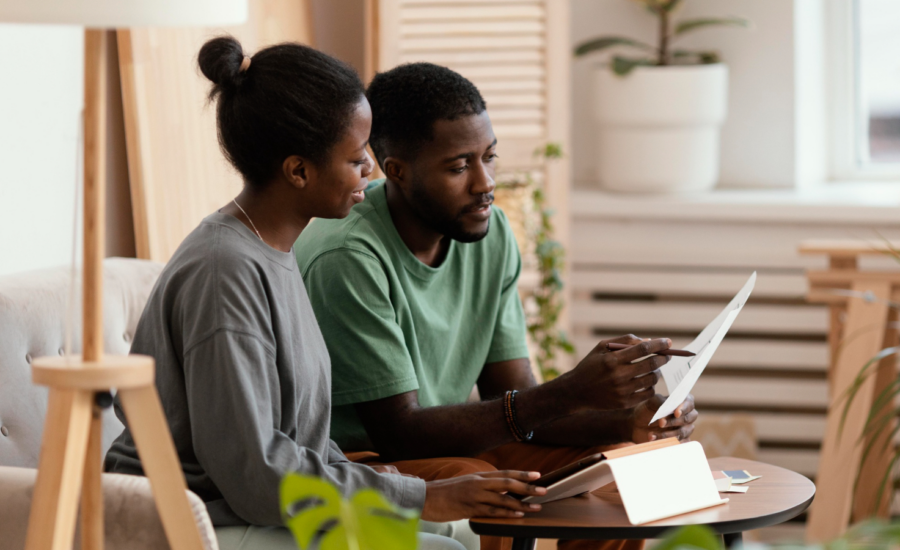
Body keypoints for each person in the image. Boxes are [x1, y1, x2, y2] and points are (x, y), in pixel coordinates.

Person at [104, 39, 550, 550]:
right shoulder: (224, 272)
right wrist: (424, 497)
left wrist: (422, 490)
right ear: (299, 171)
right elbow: (257, 474)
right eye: (358, 158)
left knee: (473, 528)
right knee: (446, 545)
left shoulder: (272, 250)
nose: (372, 172)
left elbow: (299, 445)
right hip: (188, 520)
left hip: (254, 505)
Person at [295, 63, 700, 550]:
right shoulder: (349, 256)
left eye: (489, 157)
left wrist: (629, 420)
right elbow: (399, 432)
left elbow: (512, 393)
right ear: (396, 170)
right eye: (459, 167)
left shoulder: (491, 232)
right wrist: (573, 390)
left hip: (450, 440)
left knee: (624, 463)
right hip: (363, 459)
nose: (485, 183)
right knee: (483, 483)